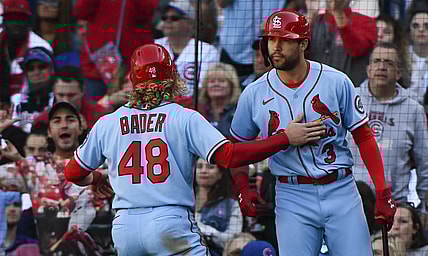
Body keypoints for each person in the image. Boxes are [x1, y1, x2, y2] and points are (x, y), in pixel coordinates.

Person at [64, 43, 326, 255]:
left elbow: (73, 172)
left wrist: (97, 177)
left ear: (133, 80)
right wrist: (284, 138)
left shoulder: (108, 122)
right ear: (171, 77)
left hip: (124, 228)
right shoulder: (184, 117)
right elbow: (230, 156)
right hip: (170, 221)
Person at [229, 10, 396, 256]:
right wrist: (242, 187)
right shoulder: (254, 93)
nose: (275, 47)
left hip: (341, 189)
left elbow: (364, 136)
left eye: (285, 40)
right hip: (291, 194)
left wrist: (382, 192)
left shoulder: (336, 81)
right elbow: (236, 148)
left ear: (303, 44)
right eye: (272, 40)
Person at [349, 43, 428, 210]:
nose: (382, 67)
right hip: (348, 201)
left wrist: (423, 208)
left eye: (389, 63)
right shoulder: (349, 99)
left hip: (394, 207)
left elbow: (424, 163)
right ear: (368, 69)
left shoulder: (414, 109)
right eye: (377, 61)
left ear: (398, 73)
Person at [156, 0, 219, 97]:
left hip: (190, 105)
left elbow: (202, 88)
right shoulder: (153, 46)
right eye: (165, 18)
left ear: (190, 23)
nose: (168, 21)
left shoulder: (207, 51)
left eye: (174, 18)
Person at [307, 0, 377, 86]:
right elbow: (297, 53)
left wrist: (338, 12)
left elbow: (356, 50)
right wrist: (309, 17)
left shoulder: (366, 22)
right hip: (313, 89)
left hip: (349, 91)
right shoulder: (314, 20)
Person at [0, 0, 53, 103]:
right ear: (4, 21)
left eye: (20, 19)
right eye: (11, 19)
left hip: (29, 106)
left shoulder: (40, 46)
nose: (15, 24)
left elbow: (46, 87)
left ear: (28, 21)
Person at [195, 158, 243, 256]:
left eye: (210, 167)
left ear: (220, 174)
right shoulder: (183, 198)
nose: (204, 171)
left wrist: (205, 231)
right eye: (199, 167)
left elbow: (232, 240)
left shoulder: (231, 204)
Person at [198, 63, 241, 138]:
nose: (216, 84)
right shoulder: (199, 111)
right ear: (205, 87)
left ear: (231, 86)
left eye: (221, 81)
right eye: (212, 81)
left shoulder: (239, 112)